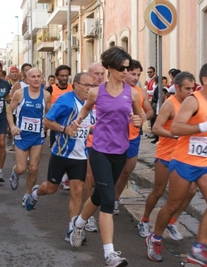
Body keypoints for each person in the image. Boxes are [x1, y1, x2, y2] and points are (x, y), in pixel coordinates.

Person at [145, 63, 207, 267]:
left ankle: (199, 248)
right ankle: (155, 238)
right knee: (173, 204)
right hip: (184, 160)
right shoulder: (193, 101)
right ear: (205, 80)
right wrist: (202, 126)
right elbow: (176, 127)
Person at [69, 46, 142, 267]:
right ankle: (110, 253)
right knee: (109, 200)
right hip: (99, 150)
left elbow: (141, 116)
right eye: (122, 68)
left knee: (100, 196)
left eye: (128, 68)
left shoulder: (133, 93)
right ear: (109, 68)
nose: (126, 72)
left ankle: (78, 224)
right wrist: (78, 120)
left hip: (120, 151)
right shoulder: (96, 92)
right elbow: (85, 108)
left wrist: (139, 121)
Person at [24, 72, 94, 242]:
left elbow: (88, 125)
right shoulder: (66, 101)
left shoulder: (91, 102)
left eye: (92, 86)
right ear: (76, 84)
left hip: (80, 156)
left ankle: (72, 230)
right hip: (61, 154)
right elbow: (47, 121)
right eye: (86, 85)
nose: (90, 89)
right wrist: (65, 129)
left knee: (77, 191)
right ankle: (35, 193)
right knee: (51, 188)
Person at [137, 72, 196, 240]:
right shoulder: (169, 105)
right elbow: (156, 128)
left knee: (191, 191)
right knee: (158, 190)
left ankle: (171, 221)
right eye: (187, 89)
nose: (190, 92)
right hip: (166, 153)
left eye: (192, 88)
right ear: (177, 88)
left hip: (183, 155)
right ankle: (145, 219)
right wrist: (175, 134)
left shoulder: (193, 105)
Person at [113, 60, 153, 215]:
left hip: (133, 137)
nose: (136, 77)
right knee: (111, 171)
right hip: (114, 137)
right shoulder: (115, 90)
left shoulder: (140, 92)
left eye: (138, 74)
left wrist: (144, 116)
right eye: (133, 74)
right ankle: (106, 198)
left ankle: (115, 198)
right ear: (124, 72)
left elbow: (150, 111)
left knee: (126, 172)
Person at [6, 68, 51, 207]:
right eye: (33, 77)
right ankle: (15, 173)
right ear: (27, 79)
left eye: (39, 76)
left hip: (37, 136)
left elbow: (49, 113)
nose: (36, 79)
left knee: (33, 168)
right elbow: (9, 111)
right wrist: (12, 126)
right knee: (21, 168)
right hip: (21, 135)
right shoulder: (20, 93)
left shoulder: (46, 95)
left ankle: (27, 195)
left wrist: (46, 125)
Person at [82, 62, 106, 233]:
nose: (99, 77)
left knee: (101, 180)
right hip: (86, 141)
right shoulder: (85, 93)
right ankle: (87, 216)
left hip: (105, 142)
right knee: (88, 177)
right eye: (95, 74)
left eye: (102, 74)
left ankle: (96, 209)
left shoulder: (108, 91)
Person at [46, 65, 74, 189]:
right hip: (56, 126)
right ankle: (58, 176)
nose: (64, 78)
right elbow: (46, 107)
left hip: (72, 125)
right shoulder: (50, 89)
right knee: (58, 151)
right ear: (57, 77)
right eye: (61, 76)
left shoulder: (73, 88)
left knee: (71, 150)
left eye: (66, 75)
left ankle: (66, 178)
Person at [9, 63, 32, 151]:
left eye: (30, 70)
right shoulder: (19, 84)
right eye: (26, 70)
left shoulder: (36, 83)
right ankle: (16, 142)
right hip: (19, 112)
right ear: (22, 72)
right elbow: (12, 98)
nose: (28, 72)